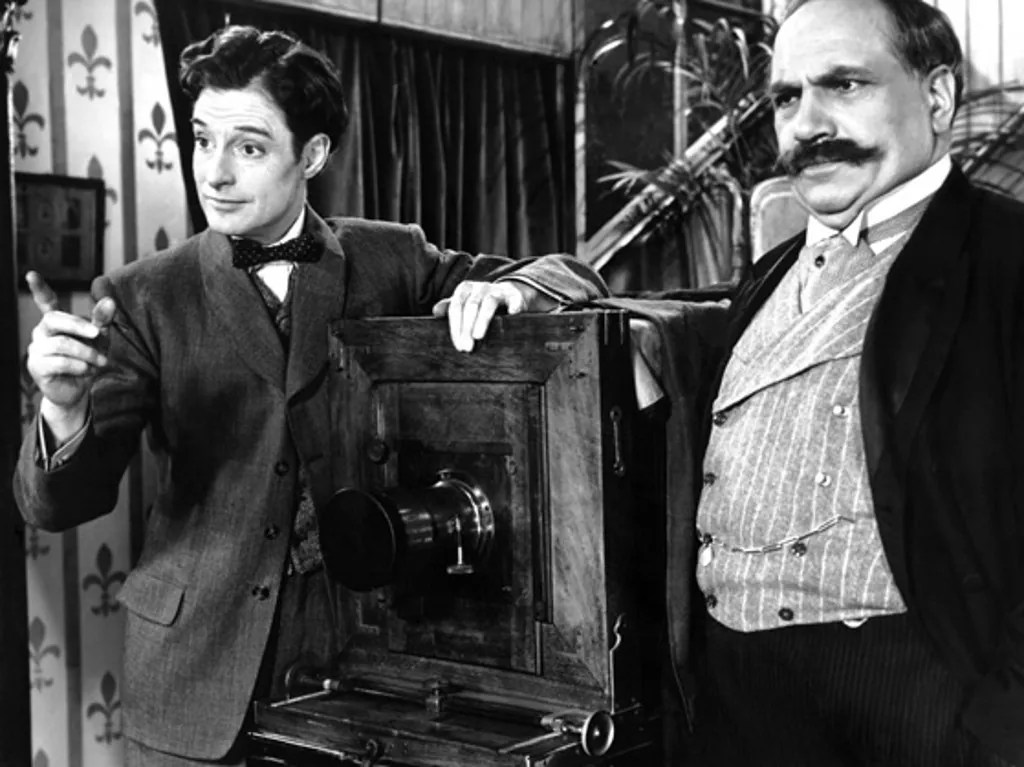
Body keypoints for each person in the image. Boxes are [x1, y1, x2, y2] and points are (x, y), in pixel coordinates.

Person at [13, 25, 606, 766]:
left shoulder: (390, 257)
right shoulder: (144, 295)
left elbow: (571, 275)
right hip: (194, 676)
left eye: (248, 147)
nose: (214, 173)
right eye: (202, 140)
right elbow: (57, 505)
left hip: (362, 663)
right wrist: (63, 409)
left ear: (314, 154)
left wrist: (513, 293)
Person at [669, 0, 1024, 764]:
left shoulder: (1008, 258)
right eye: (787, 97)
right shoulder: (767, 274)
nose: (807, 123)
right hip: (734, 711)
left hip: (913, 713)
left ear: (938, 97)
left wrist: (996, 736)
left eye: (845, 84)